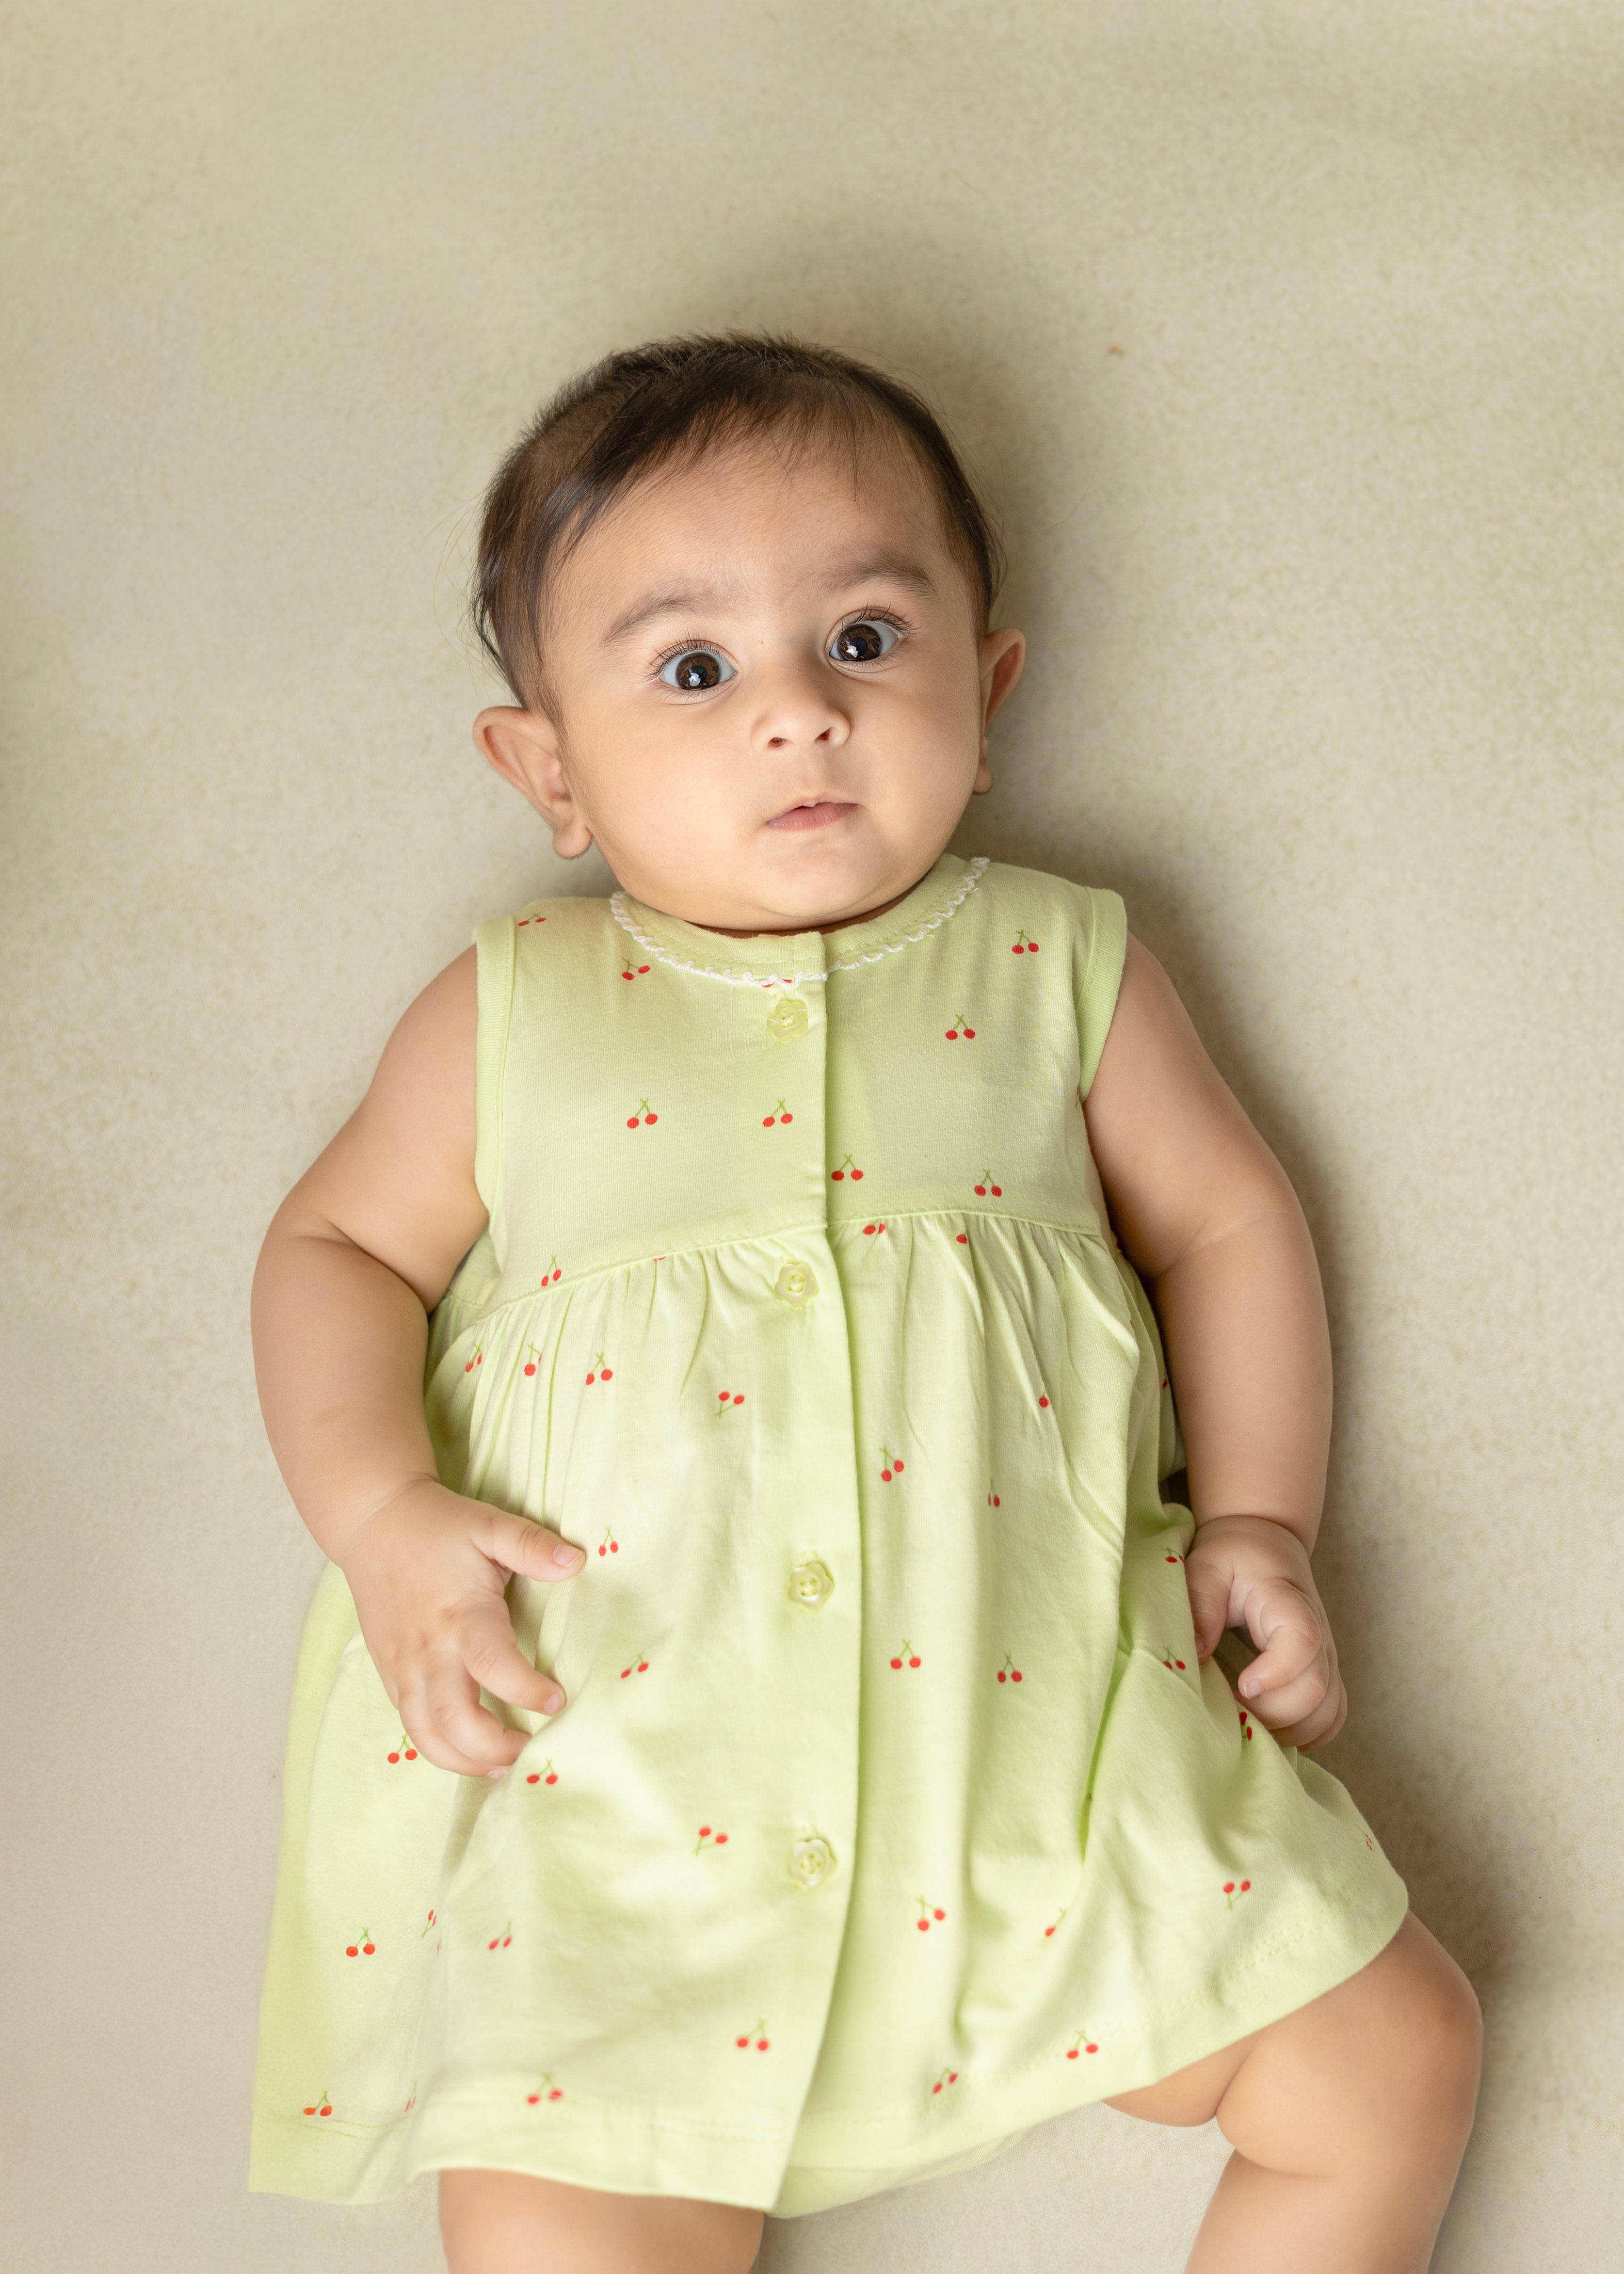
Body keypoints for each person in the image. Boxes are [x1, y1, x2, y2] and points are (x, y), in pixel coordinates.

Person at [247, 333, 1482, 2273]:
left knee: (1393, 2056)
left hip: (1052, 1756)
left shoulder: (1058, 963)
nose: (799, 717)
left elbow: (1231, 1227)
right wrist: (381, 1519)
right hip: (633, 1798)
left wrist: (1259, 1518)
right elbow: (331, 1257)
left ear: (986, 694)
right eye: (692, 669)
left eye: (867, 640)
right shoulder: (512, 1013)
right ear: (546, 770)